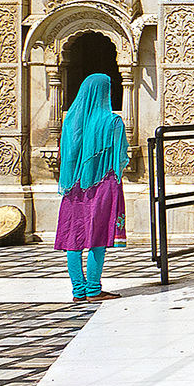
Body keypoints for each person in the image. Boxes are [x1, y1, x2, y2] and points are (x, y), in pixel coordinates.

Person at [55, 72, 126, 302]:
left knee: (72, 239)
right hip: (103, 185)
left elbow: (65, 156)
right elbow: (121, 157)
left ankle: (78, 291)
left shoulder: (70, 122)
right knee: (98, 236)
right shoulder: (113, 122)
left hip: (73, 189)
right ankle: (94, 289)